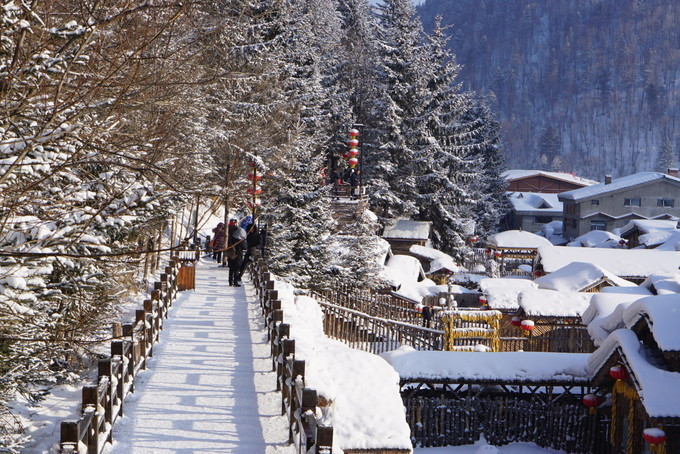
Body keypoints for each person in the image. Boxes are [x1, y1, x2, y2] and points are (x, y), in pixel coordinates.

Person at [227, 220, 247, 286]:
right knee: (236, 268)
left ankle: (230, 281)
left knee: (231, 268)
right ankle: (235, 281)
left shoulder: (231, 235)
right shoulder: (240, 240)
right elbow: (245, 247)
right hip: (238, 254)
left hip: (230, 252)